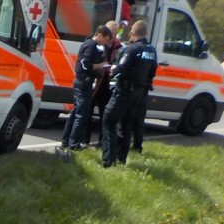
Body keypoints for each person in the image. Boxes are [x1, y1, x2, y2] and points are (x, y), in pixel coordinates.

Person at [102, 19, 158, 168]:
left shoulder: (132, 49)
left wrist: (111, 69)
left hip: (125, 90)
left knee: (109, 121)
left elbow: (120, 68)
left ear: (133, 33)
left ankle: (108, 160)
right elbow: (153, 71)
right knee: (126, 126)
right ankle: (121, 160)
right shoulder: (152, 51)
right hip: (139, 94)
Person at [61, 25, 112, 151]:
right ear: (99, 35)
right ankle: (73, 144)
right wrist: (102, 65)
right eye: (105, 40)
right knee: (82, 114)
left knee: (76, 112)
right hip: (84, 82)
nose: (105, 43)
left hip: (83, 82)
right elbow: (86, 64)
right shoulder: (91, 45)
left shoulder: (91, 45)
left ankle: (66, 141)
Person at [90, 19, 123, 146]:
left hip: (108, 85)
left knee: (105, 115)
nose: (112, 36)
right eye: (110, 33)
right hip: (95, 82)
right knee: (88, 113)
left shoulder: (120, 47)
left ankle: (102, 143)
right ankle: (84, 141)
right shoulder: (97, 44)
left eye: (115, 34)